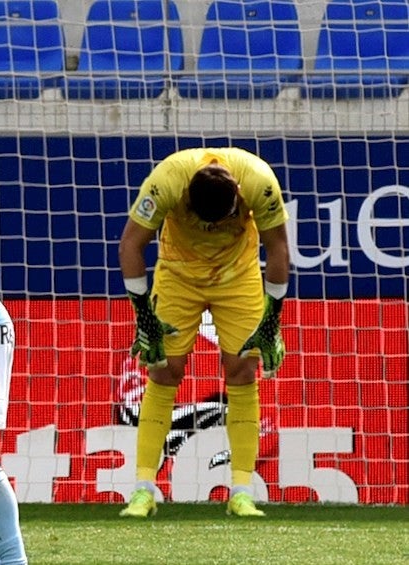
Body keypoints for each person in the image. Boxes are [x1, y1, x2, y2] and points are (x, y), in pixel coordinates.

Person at [117, 147, 290, 518]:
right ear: (185, 201)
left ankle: (242, 492)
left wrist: (272, 317)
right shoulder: (167, 180)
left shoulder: (259, 182)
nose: (211, 229)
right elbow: (131, 243)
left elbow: (278, 246)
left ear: (239, 198)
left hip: (237, 277)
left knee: (243, 371)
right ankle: (143, 489)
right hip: (179, 276)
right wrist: (143, 315)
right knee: (164, 370)